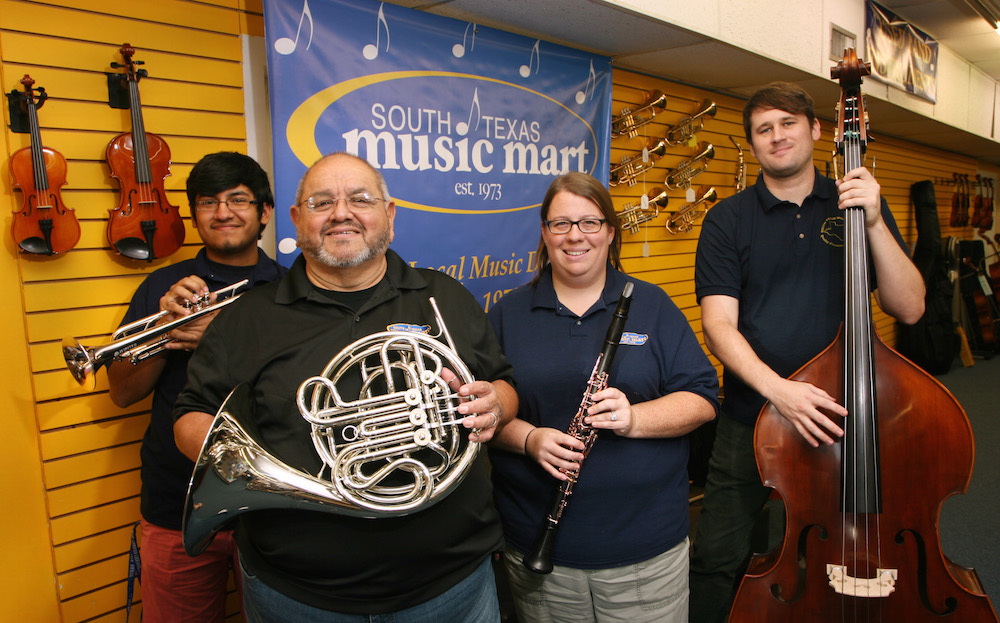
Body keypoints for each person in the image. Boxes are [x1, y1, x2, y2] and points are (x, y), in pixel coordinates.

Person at [172, 152, 518, 622]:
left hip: (451, 583)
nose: (341, 213)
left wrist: (496, 404)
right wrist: (249, 463)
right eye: (321, 202)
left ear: (388, 216)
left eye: (360, 199)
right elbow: (192, 415)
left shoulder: (444, 295)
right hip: (296, 593)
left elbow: (504, 383)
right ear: (297, 220)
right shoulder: (246, 317)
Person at [688, 82, 925, 623]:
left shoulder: (858, 202)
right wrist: (781, 393)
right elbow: (719, 325)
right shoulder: (728, 219)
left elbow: (909, 307)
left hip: (850, 418)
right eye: (763, 129)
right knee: (718, 557)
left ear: (817, 130)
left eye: (788, 123)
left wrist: (873, 220)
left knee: (829, 549)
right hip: (751, 416)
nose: (777, 137)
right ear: (752, 146)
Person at [486, 172, 720, 623]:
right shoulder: (507, 313)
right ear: (544, 232)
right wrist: (530, 438)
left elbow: (703, 398)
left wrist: (635, 418)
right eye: (561, 224)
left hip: (645, 552)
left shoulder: (651, 304)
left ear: (610, 231)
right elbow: (483, 415)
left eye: (590, 222)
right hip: (540, 548)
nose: (576, 236)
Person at [107, 151, 287, 622]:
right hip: (177, 502)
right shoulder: (163, 287)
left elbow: (306, 388)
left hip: (274, 502)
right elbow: (123, 392)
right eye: (208, 202)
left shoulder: (293, 290)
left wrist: (222, 339)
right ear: (194, 215)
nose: (223, 212)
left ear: (264, 212)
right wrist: (164, 332)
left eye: (239, 200)